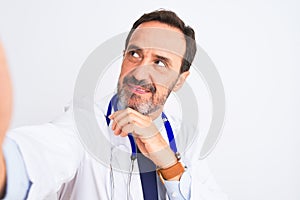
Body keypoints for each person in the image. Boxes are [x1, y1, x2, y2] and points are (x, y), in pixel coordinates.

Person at [0, 10, 228, 199]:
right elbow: (40, 155)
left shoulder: (185, 136)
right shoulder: (85, 122)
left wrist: (169, 163)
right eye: (135, 54)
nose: (140, 72)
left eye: (160, 62)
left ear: (180, 80)